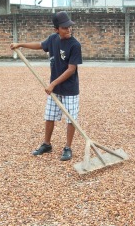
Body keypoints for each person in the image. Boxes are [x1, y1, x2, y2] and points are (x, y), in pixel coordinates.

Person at [10, 11, 82, 161]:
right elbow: (40, 45)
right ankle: (47, 144)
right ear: (56, 29)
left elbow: (71, 69)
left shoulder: (75, 45)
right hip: (55, 89)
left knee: (71, 119)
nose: (68, 29)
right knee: (49, 116)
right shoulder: (53, 39)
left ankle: (68, 147)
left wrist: (53, 83)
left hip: (69, 89)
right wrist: (21, 44)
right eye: (64, 27)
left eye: (69, 26)